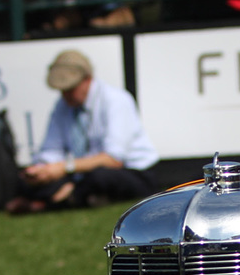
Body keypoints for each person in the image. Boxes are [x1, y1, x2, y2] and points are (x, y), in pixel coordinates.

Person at [8, 49, 160, 212]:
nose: (65, 95)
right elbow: (52, 149)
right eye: (62, 90)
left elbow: (114, 160)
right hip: (82, 173)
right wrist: (42, 170)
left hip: (132, 173)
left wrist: (64, 167)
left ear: (87, 79)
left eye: (70, 88)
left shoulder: (116, 100)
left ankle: (54, 202)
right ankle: (72, 196)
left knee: (100, 177)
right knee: (25, 180)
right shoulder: (62, 105)